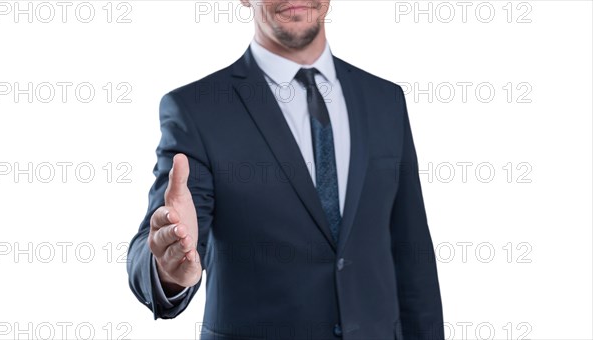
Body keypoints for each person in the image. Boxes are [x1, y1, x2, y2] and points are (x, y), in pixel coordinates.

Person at [127, 0, 444, 339]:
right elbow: (162, 238)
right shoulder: (197, 110)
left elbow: (412, 258)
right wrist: (169, 268)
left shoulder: (385, 99)